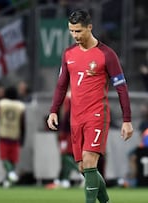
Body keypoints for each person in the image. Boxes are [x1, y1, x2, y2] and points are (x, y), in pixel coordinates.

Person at [47, 10, 134, 203]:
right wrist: (53, 110)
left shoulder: (107, 55)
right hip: (75, 118)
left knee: (89, 161)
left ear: (89, 28)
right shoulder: (68, 54)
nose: (75, 36)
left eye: (78, 31)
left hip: (97, 115)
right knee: (83, 168)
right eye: (71, 31)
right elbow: (61, 85)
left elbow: (122, 88)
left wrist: (127, 120)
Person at [0, 87, 25, 188]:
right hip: (15, 135)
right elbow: (23, 124)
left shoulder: (2, 104)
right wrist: (23, 137)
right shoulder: (20, 106)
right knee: (12, 159)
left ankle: (10, 176)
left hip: (4, 134)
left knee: (4, 158)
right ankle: (9, 178)